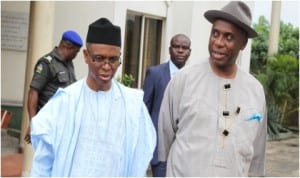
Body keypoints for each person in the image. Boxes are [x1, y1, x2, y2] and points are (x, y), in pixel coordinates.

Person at [30, 17, 156, 177]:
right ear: (86, 56)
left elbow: (140, 157)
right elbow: (43, 162)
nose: (106, 66)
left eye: (113, 59)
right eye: (99, 58)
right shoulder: (65, 102)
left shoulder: (132, 105)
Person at [158, 1, 267, 177]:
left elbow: (257, 157)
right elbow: (164, 139)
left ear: (243, 43)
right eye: (215, 34)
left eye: (228, 37)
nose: (218, 42)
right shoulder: (184, 80)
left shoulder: (255, 91)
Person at [143, 34, 191, 177]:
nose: (180, 51)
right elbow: (144, 110)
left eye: (184, 48)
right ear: (170, 50)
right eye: (176, 47)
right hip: (160, 151)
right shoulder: (155, 73)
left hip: (185, 151)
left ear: (190, 52)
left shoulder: (193, 77)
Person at [24, 30, 83, 144]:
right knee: (47, 160)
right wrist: (33, 124)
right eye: (76, 52)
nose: (76, 55)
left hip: (64, 124)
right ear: (68, 47)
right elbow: (33, 92)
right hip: (48, 124)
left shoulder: (68, 64)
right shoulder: (47, 63)